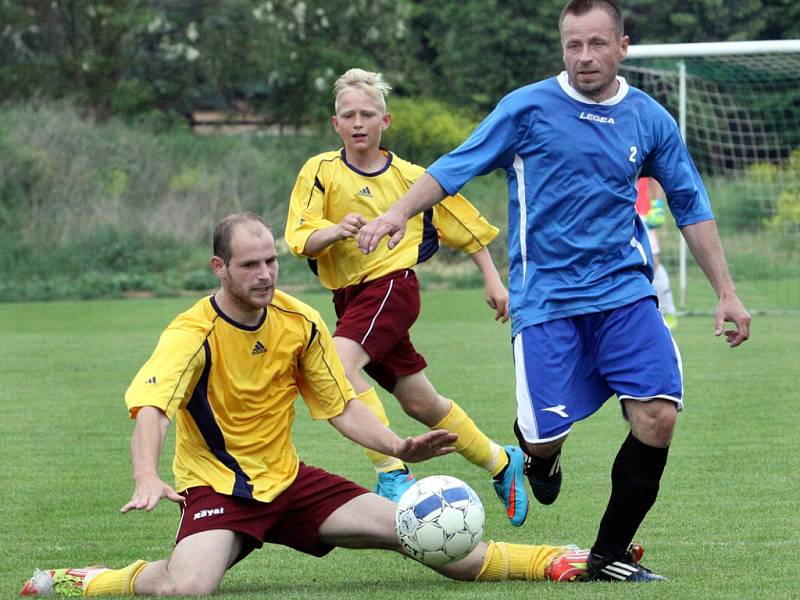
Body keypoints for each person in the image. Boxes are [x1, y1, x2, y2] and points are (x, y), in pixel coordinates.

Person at [357, 0, 751, 583]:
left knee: (659, 416)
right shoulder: (526, 108)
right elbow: (453, 168)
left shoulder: (650, 120)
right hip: (546, 301)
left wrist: (727, 292)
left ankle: (609, 554)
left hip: (624, 293)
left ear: (623, 45)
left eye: (597, 43)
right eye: (574, 45)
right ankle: (539, 460)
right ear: (563, 47)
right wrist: (396, 214)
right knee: (544, 439)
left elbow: (691, 204)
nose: (585, 56)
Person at [20, 212, 591, 597]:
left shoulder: (299, 321)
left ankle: (560, 558)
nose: (266, 273)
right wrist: (145, 475)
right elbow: (153, 409)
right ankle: (87, 580)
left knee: (431, 538)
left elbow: (340, 404)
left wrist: (397, 444)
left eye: (271, 261)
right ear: (220, 268)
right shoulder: (191, 332)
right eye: (250, 265)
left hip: (290, 484)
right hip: (221, 489)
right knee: (186, 587)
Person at [284, 68, 529, 527]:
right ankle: (500, 461)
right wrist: (334, 231)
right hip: (348, 297)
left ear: (386, 121)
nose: (358, 123)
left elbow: (468, 229)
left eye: (368, 114)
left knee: (336, 367)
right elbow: (300, 238)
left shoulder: (412, 177)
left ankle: (390, 469)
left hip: (392, 287)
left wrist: (494, 282)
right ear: (335, 124)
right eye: (348, 115)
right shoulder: (318, 171)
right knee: (421, 403)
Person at [636, 177, 678, 329]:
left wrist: (657, 206)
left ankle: (667, 311)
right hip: (618, 215)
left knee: (653, 262)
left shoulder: (639, 154)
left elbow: (653, 177)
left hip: (642, 215)